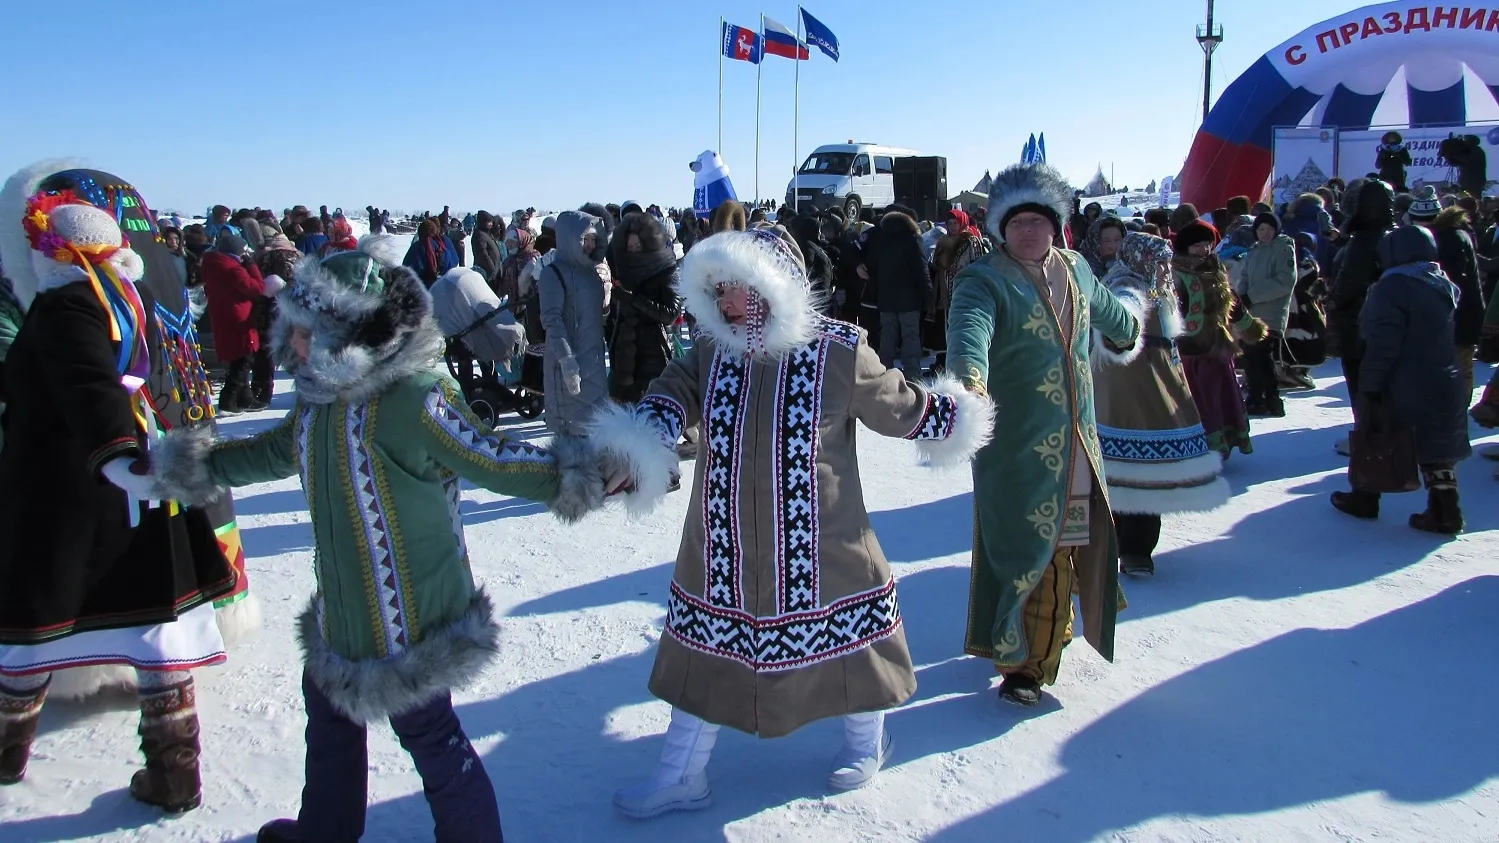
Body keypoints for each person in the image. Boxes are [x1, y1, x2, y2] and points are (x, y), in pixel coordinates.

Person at [149, 234, 613, 842]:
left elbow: (494, 458)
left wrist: (586, 473)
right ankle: (325, 831)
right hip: (344, 607)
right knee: (331, 722)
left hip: (410, 617)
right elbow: (270, 451)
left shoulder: (416, 398)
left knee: (433, 743)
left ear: (351, 333)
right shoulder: (317, 401)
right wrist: (192, 467)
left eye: (306, 331)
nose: (292, 344)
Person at [590, 229, 993, 817]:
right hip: (722, 542)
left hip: (822, 539)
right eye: (719, 289)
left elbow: (902, 409)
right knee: (705, 654)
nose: (726, 301)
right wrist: (641, 442)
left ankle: (866, 742)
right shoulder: (711, 350)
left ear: (774, 285)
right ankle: (681, 775)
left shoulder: (839, 349)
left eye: (738, 287)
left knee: (856, 647)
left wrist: (962, 412)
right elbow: (670, 394)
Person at [0, 174, 242, 812]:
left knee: (34, 623)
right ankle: (173, 776)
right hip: (139, 473)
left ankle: (6, 752)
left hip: (74, 485)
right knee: (155, 628)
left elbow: (89, 388)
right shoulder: (117, 295)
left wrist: (120, 459)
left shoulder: (67, 306)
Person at [945, 162, 1148, 707]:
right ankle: (1026, 665)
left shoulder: (1079, 269)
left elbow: (1120, 323)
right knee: (1027, 549)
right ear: (1000, 229)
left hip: (1079, 445)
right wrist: (968, 384)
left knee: (1067, 544)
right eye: (1016, 222)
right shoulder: (982, 280)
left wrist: (1137, 324)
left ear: (1057, 226)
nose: (1027, 231)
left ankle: (1037, 645)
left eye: (1038, 220)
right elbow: (970, 334)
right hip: (1017, 449)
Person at [1092, 232, 1231, 577]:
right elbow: (1123, 310)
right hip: (1128, 387)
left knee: (1140, 468)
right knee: (1129, 469)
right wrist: (1121, 325)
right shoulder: (1126, 284)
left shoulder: (1158, 286)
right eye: (1157, 260)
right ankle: (1129, 548)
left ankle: (1133, 546)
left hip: (1154, 384)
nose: (1164, 268)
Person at [1330, 225, 1470, 533]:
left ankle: (1365, 496)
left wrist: (1370, 383)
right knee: (1437, 447)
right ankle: (1446, 509)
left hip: (1402, 380)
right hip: (1444, 377)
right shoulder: (1439, 282)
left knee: (1376, 432)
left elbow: (1382, 342)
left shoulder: (1390, 287)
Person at [1172, 220, 1265, 458]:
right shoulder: (1176, 274)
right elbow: (1170, 310)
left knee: (1219, 397)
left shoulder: (1216, 269)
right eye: (1197, 246)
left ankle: (1222, 441)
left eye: (1207, 245)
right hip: (1189, 350)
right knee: (1198, 399)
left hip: (1217, 347)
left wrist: (1249, 327)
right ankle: (1199, 445)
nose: (1203, 250)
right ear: (1185, 247)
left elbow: (1232, 303)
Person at [537, 210, 609, 434]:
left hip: (594, 363)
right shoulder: (553, 273)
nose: (590, 245)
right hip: (569, 366)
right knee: (572, 436)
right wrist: (567, 361)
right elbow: (552, 320)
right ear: (570, 238)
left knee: (597, 431)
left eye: (593, 239)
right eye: (585, 239)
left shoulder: (593, 273)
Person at [606, 212, 681, 403]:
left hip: (655, 356)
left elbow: (671, 314)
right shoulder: (624, 271)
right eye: (629, 247)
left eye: (638, 246)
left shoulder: (667, 270)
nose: (633, 251)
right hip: (625, 359)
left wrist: (635, 300)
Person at [200, 232, 267, 414]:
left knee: (239, 358)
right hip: (239, 319)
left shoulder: (212, 264)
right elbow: (257, 288)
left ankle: (246, 399)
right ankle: (227, 402)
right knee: (243, 360)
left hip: (223, 316)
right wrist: (251, 265)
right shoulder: (233, 269)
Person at [1238, 212, 1297, 417]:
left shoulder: (1283, 248)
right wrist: (1240, 297)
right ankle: (1259, 397)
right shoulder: (1254, 251)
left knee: (1262, 355)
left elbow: (1285, 281)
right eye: (1261, 229)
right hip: (1252, 312)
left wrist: (1251, 296)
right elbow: (1244, 276)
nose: (1265, 233)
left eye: (1270, 229)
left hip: (1271, 311)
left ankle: (1268, 397)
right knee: (1253, 356)